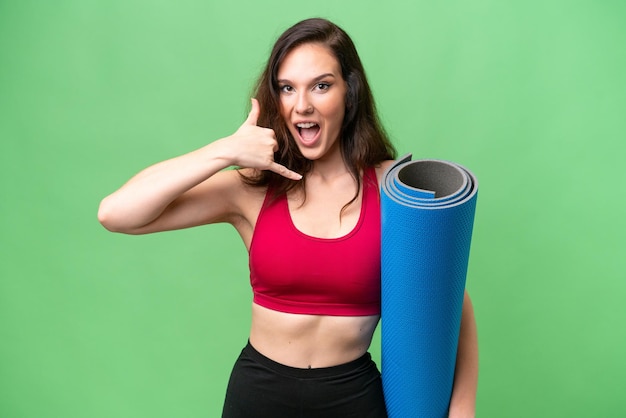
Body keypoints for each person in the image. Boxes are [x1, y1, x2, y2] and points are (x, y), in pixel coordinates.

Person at [98, 17, 478, 417]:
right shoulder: (251, 189)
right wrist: (225, 151)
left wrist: (462, 407)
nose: (302, 105)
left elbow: (451, 299)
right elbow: (116, 213)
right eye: (287, 88)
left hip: (352, 399)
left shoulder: (391, 187)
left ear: (350, 92)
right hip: (259, 395)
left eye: (321, 85)